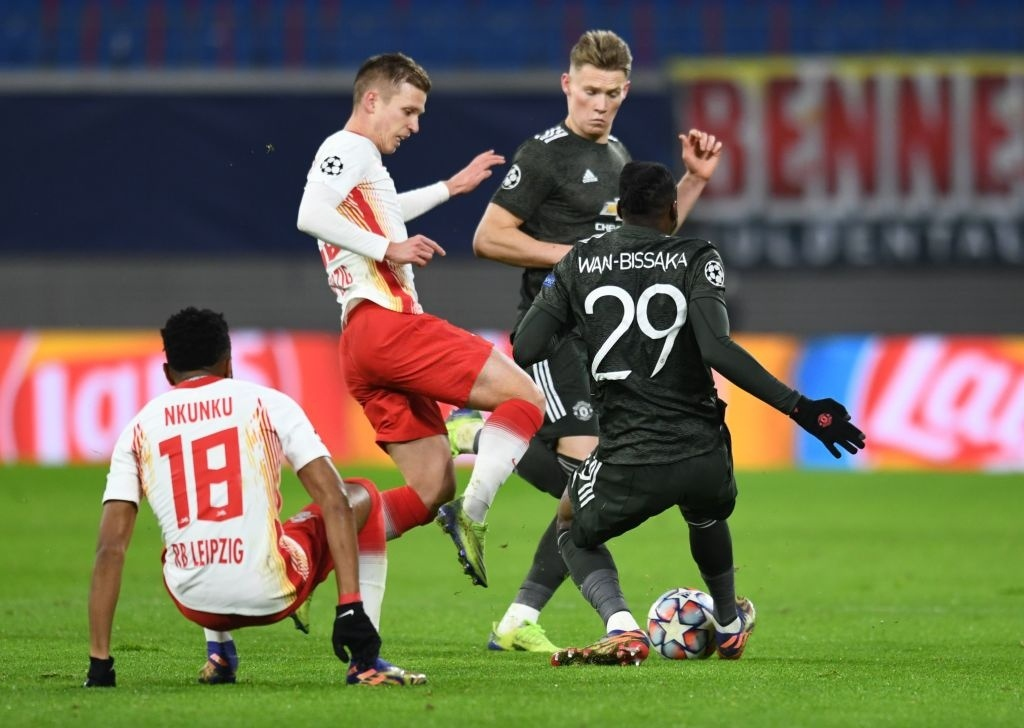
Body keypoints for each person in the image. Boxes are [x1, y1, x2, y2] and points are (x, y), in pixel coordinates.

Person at [511, 161, 866, 666]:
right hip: (703, 452)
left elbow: (527, 346)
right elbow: (717, 349)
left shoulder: (580, 261)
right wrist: (801, 408)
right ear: (673, 210)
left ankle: (621, 626)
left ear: (619, 209)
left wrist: (577, 326)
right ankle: (729, 622)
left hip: (628, 455)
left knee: (569, 521)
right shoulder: (697, 256)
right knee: (705, 513)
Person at [442, 29, 722, 652]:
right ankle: (487, 435)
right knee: (594, 476)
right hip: (554, 331)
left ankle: (518, 619)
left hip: (602, 344)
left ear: (626, 92)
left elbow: (643, 236)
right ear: (567, 85)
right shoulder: (543, 155)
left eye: (612, 94)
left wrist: (694, 181)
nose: (600, 104)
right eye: (590, 91)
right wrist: (572, 257)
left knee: (586, 489)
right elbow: (489, 237)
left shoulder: (618, 154)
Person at [295, 53, 545, 589]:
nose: (415, 126)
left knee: (431, 488)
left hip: (361, 343)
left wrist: (449, 189)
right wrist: (389, 249)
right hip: (390, 325)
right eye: (408, 111)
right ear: (372, 100)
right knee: (526, 398)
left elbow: (384, 213)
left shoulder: (360, 163)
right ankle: (473, 509)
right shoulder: (348, 146)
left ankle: (305, 548)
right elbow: (309, 214)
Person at [84, 307, 425, 688]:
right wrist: (349, 607)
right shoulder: (268, 403)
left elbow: (110, 549)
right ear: (229, 363)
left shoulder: (137, 429)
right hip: (271, 593)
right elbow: (334, 500)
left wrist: (100, 666)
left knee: (185, 533)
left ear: (168, 373)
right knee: (362, 493)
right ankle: (364, 660)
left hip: (193, 601)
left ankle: (219, 653)